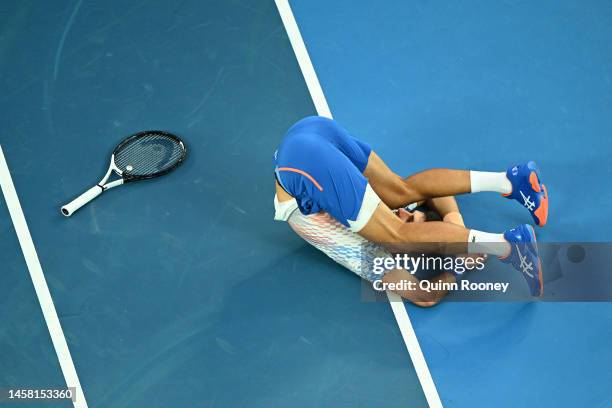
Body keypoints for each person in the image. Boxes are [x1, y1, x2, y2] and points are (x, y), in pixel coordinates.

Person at [273, 116, 548, 305]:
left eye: (410, 216)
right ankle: (508, 214)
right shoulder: (362, 238)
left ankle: (508, 209)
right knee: (398, 208)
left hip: (307, 149)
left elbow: (422, 293)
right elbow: (423, 294)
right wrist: (458, 261)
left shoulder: (357, 243)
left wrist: (458, 237)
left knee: (397, 221)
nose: (404, 212)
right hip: (312, 140)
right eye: (412, 215)